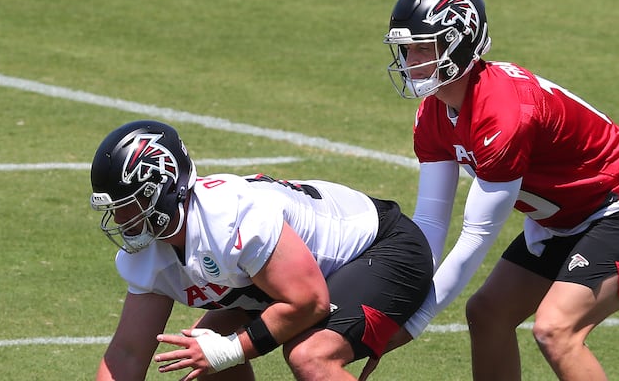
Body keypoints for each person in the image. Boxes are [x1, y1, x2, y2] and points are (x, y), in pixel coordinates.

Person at [364, 0, 619, 380]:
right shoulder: (432, 114)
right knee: (487, 313)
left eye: (422, 48)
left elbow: (475, 235)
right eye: (406, 49)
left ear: (459, 43)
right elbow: (430, 222)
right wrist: (398, 301)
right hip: (569, 214)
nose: (410, 60)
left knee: (556, 330)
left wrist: (412, 322)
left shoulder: (504, 113)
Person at [89, 120, 433, 381]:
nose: (120, 219)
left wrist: (229, 351)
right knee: (205, 349)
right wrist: (221, 351)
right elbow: (127, 354)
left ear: (163, 190)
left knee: (310, 356)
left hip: (382, 246)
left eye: (129, 205)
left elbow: (307, 301)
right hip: (301, 276)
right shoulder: (150, 250)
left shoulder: (229, 219)